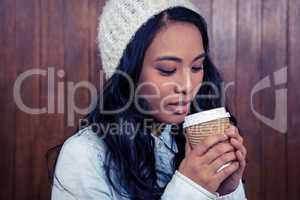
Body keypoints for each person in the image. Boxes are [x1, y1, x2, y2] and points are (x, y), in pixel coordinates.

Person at [51, 0, 247, 199]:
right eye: (167, 70)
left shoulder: (201, 142)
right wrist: (192, 189)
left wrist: (225, 192)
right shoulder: (85, 156)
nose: (187, 86)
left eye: (197, 67)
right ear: (127, 72)